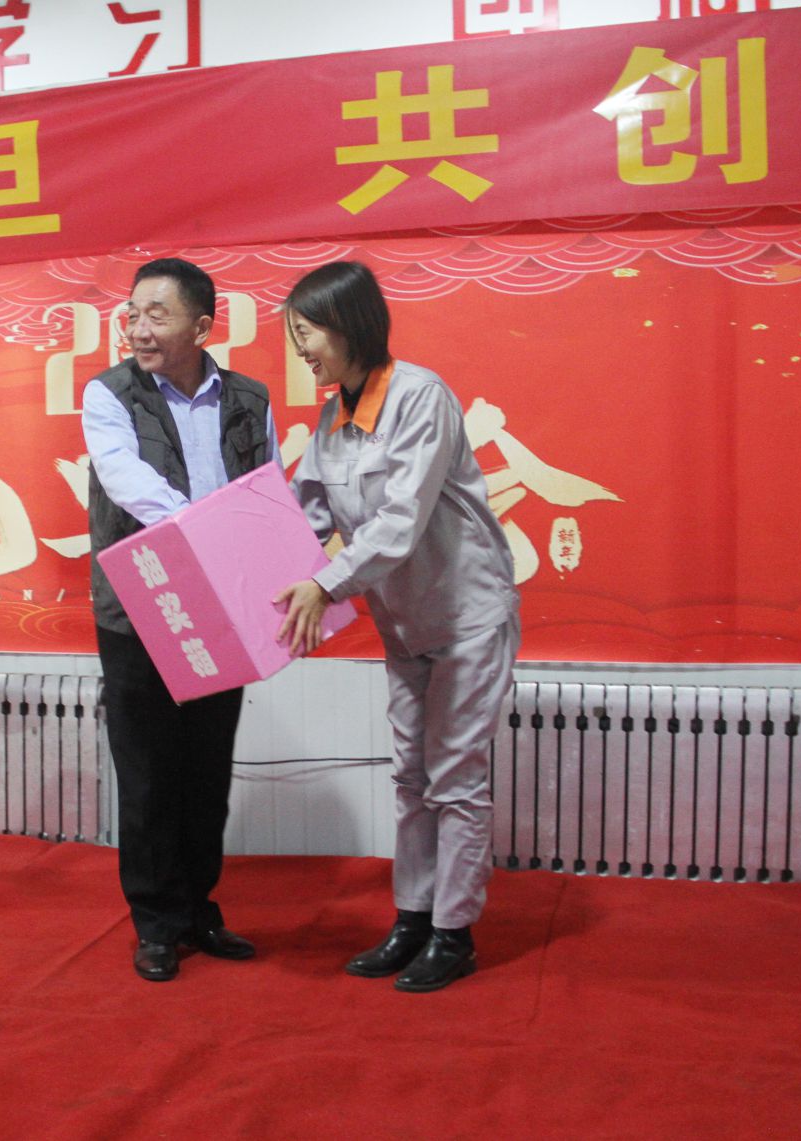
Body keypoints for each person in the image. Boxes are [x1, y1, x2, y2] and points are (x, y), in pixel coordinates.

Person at [275, 261, 519, 993]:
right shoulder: (333, 420)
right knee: (411, 775)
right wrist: (241, 565)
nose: (299, 349)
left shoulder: (420, 396)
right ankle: (413, 918)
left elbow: (400, 521)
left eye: (306, 332)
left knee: (456, 777)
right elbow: (303, 515)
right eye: (294, 334)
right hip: (404, 625)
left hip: (466, 615)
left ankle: (454, 933)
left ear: (349, 325)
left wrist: (325, 582)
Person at [83, 257, 280, 982]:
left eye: (156, 315)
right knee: (147, 772)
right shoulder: (108, 393)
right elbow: (124, 478)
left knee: (206, 768)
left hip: (223, 603)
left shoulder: (250, 398)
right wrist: (203, 526)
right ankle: (156, 923)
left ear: (201, 327)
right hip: (143, 603)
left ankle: (200, 909)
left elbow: (268, 486)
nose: (138, 329)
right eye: (131, 314)